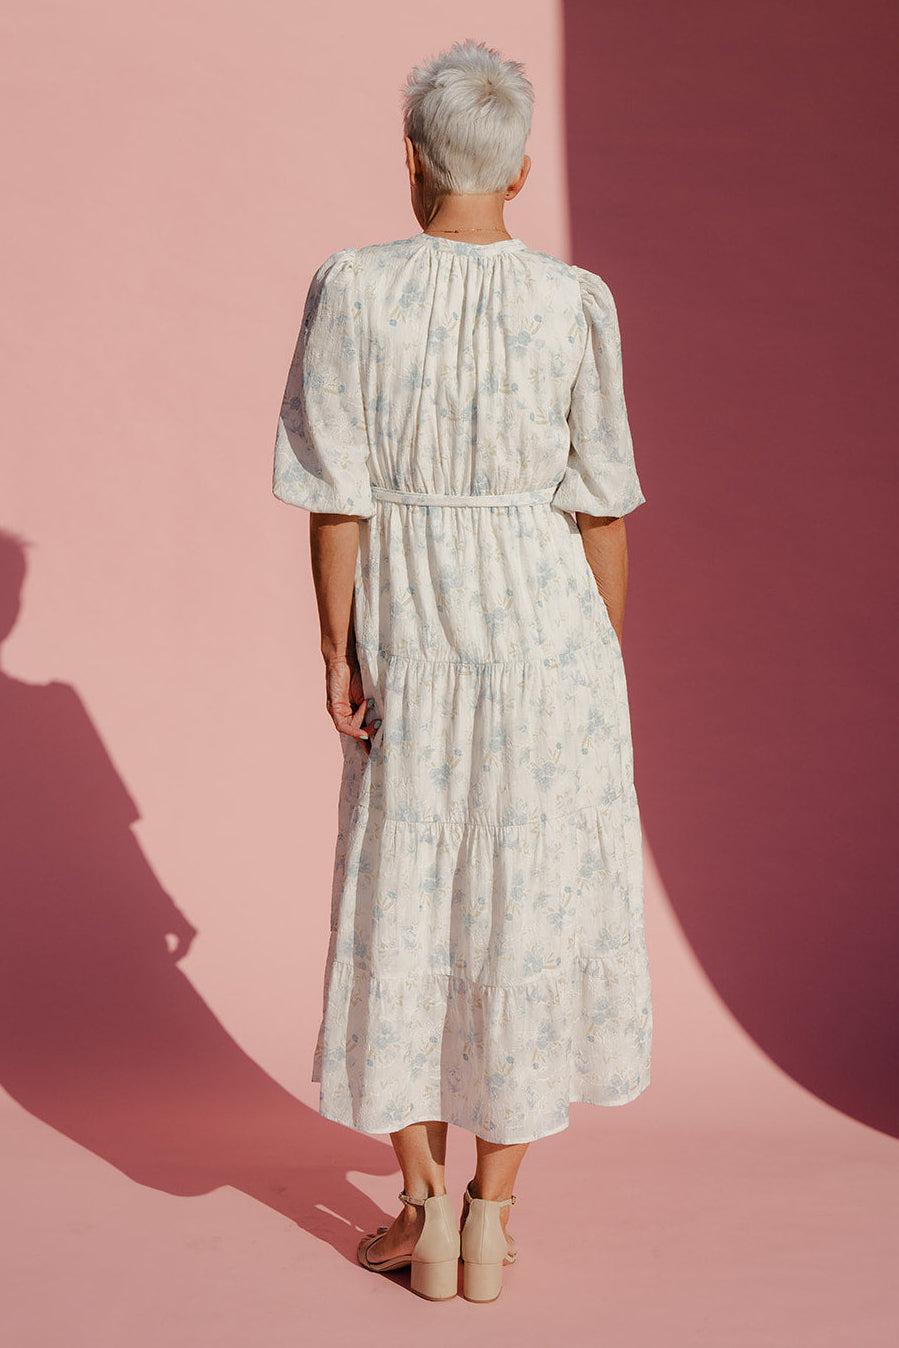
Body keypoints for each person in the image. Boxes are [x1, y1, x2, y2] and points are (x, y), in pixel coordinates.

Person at [271, 37, 652, 1303]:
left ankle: (422, 1207)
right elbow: (601, 506)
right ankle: (491, 1217)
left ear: (412, 159)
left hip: (413, 625)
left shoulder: (354, 287)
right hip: (551, 632)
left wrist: (338, 645)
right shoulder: (573, 299)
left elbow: (333, 495)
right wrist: (598, 662)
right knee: (524, 903)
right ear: (522, 167)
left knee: (404, 891)